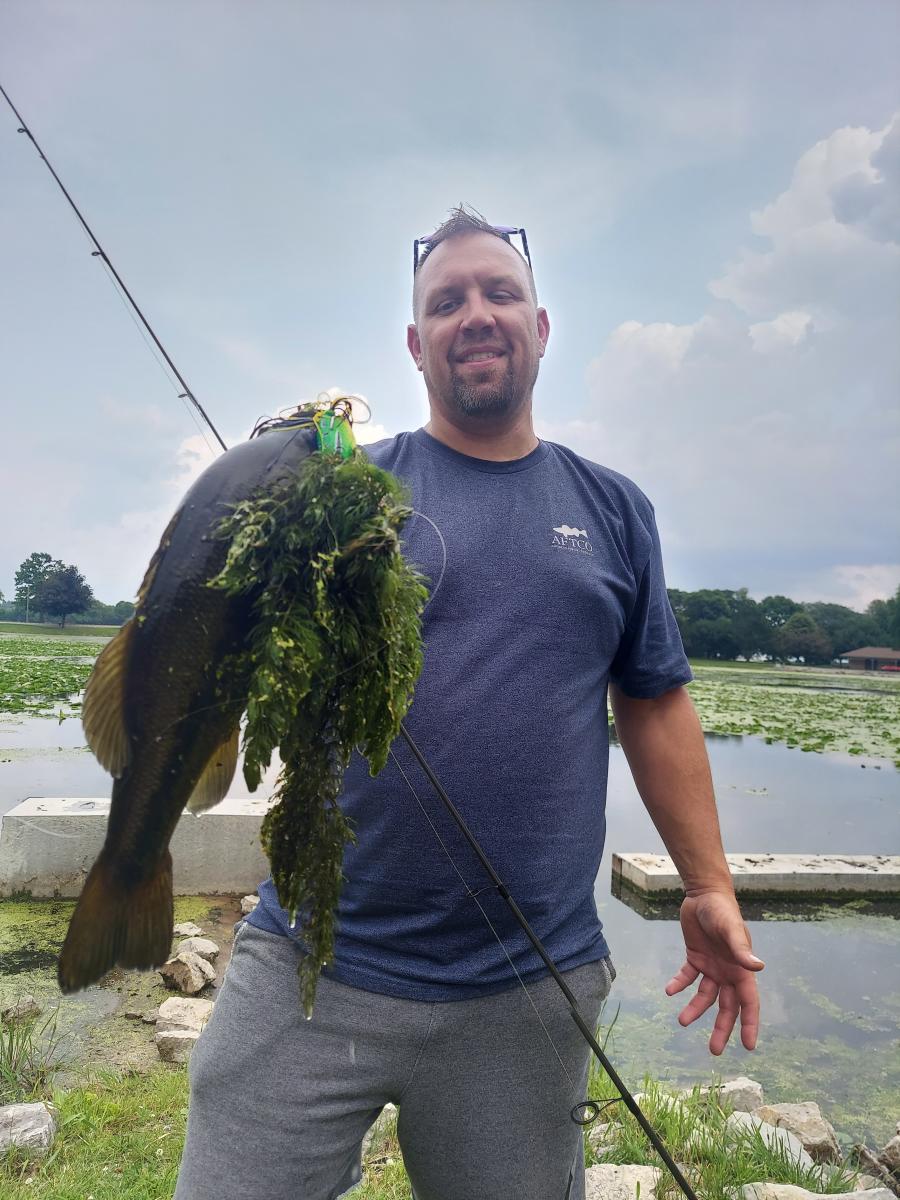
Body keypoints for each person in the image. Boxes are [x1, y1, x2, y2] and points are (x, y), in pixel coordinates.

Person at [174, 208, 763, 1200]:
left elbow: (655, 700)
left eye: (500, 293)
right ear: (415, 345)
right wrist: (278, 480)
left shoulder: (613, 510)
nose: (475, 315)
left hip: (527, 986)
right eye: (446, 302)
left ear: (541, 327)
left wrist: (708, 882)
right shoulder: (351, 490)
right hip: (312, 962)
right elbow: (227, 618)